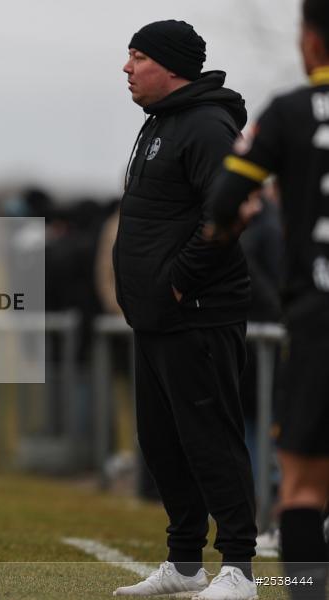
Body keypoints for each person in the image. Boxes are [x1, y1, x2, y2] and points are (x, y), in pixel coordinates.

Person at [112, 20, 258, 600]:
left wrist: (178, 282)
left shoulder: (206, 125)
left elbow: (232, 211)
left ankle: (240, 568)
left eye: (138, 57)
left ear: (170, 65)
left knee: (210, 439)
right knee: (162, 442)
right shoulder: (160, 121)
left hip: (197, 314)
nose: (127, 68)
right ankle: (185, 562)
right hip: (155, 319)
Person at [210, 2, 329, 597]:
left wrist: (224, 225)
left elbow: (225, 198)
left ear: (310, 41)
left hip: (317, 319)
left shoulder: (289, 110)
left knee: (303, 489)